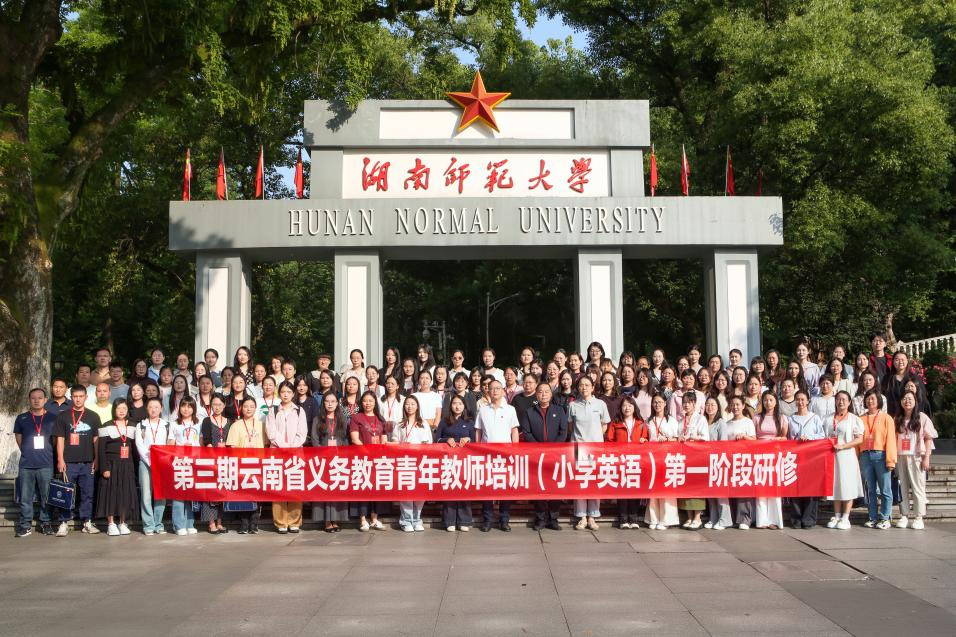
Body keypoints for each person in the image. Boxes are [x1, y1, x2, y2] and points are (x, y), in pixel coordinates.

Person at [53, 385, 101, 536]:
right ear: (71, 397)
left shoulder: (93, 416)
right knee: (66, 492)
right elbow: (60, 439)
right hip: (69, 462)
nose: (78, 399)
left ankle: (87, 521)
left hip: (88, 462)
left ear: (86, 397)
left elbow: (96, 440)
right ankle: (63, 522)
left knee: (88, 493)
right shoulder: (63, 416)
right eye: (75, 396)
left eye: (81, 396)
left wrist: (97, 459)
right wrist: (60, 459)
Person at [521, 382, 569, 531]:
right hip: (537, 456)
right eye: (540, 392)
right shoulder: (529, 412)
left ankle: (553, 518)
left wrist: (553, 448)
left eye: (546, 391)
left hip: (555, 455)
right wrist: (539, 448)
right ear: (536, 394)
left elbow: (563, 432)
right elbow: (526, 432)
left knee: (555, 486)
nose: (543, 394)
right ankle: (540, 518)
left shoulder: (559, 410)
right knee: (539, 486)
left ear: (551, 394)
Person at [475, 379, 520, 531]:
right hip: (486, 455)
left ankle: (504, 520)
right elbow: (478, 431)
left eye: (498, 388)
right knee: (487, 488)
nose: (495, 391)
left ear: (503, 391)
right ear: (488, 391)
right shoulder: (482, 410)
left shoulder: (510, 409)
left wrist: (515, 450)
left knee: (505, 488)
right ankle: (487, 520)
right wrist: (477, 450)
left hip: (505, 455)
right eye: (492, 388)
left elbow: (514, 430)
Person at [14, 387, 57, 537]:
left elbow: (55, 440)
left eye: (40, 398)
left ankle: (45, 523)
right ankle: (25, 525)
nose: (36, 400)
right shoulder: (22, 418)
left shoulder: (53, 418)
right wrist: (27, 451)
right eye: (33, 398)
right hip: (27, 464)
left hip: (46, 463)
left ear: (46, 400)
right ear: (29, 400)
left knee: (46, 496)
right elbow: (19, 438)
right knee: (25, 497)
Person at [267, 381, 308, 533]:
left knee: (294, 486)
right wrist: (284, 446)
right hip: (277, 452)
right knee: (278, 487)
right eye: (283, 392)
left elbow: (302, 433)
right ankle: (280, 522)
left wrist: (291, 447)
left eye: (289, 392)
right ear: (279, 393)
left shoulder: (299, 411)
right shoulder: (273, 410)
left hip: (295, 453)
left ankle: (294, 521)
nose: (285, 395)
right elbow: (271, 432)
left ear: (293, 394)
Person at [895, 390, 938, 530]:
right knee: (902, 487)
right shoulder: (897, 418)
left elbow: (928, 438)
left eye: (910, 398)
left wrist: (927, 458)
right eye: (904, 398)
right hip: (900, 457)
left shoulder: (922, 417)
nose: (907, 401)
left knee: (918, 487)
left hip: (916, 457)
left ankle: (919, 517)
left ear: (915, 401)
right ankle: (904, 515)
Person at [95, 399, 139, 536]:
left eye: (124, 408)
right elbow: (101, 449)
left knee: (125, 493)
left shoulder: (133, 425)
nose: (121, 411)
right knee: (111, 493)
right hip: (111, 464)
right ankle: (111, 523)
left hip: (127, 464)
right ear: (114, 410)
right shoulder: (106, 425)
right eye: (118, 408)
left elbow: (136, 449)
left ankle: (122, 522)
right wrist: (104, 468)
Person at [226, 396, 268, 534]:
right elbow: (231, 446)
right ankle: (244, 524)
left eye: (251, 406)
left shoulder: (262, 425)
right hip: (242, 465)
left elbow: (266, 445)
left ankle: (254, 523)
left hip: (258, 464)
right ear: (241, 408)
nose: (248, 409)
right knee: (243, 495)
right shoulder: (235, 425)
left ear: (255, 408)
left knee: (257, 495)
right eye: (245, 406)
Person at [349, 391, 390, 531]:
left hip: (378, 459)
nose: (368, 403)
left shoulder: (380, 418)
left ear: (375, 403)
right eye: (365, 401)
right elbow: (355, 439)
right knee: (363, 488)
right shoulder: (356, 417)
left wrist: (379, 452)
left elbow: (384, 439)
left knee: (376, 489)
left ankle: (374, 519)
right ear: (361, 403)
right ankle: (362, 519)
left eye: (370, 401)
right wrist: (368, 453)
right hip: (362, 458)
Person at [605, 395, 648, 529]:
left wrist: (644, 441)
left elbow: (646, 438)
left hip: (636, 461)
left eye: (630, 405)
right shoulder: (615, 423)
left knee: (634, 489)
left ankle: (633, 518)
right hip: (621, 461)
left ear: (634, 407)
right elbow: (609, 441)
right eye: (624, 405)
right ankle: (623, 518)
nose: (627, 408)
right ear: (620, 408)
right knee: (622, 490)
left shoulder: (641, 423)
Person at [435, 394, 476, 532]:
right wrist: (445, 440)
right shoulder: (444, 421)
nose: (457, 406)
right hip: (448, 461)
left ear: (464, 406)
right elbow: (436, 439)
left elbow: (476, 442)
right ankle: (449, 520)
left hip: (465, 461)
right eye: (454, 403)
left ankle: (465, 520)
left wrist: (469, 440)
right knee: (450, 490)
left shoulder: (469, 422)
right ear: (450, 406)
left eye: (460, 403)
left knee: (464, 489)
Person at [391, 395, 432, 532]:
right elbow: (395, 442)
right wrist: (401, 445)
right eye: (407, 404)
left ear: (417, 406)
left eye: (413, 404)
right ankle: (406, 520)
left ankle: (417, 519)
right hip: (405, 461)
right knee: (406, 492)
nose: (410, 406)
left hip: (420, 461)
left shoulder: (423, 423)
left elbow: (429, 443)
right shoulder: (399, 424)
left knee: (420, 492)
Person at [858, 389, 897, 529]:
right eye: (868, 398)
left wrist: (891, 460)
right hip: (865, 455)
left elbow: (891, 439)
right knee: (870, 490)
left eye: (873, 398)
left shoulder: (886, 418)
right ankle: (873, 517)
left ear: (879, 400)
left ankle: (885, 518)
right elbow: (857, 439)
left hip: (881, 455)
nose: (870, 401)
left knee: (885, 489)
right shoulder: (860, 419)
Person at [312, 392, 349, 532]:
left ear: (337, 403)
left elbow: (345, 438)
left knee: (336, 488)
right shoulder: (318, 419)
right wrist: (322, 453)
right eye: (327, 401)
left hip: (339, 459)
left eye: (333, 401)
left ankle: (336, 519)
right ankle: (327, 520)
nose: (330, 404)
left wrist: (343, 453)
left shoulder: (342, 418)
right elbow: (314, 439)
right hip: (323, 459)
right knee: (325, 489)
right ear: (323, 403)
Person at [787, 390, 826, 528]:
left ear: (808, 401)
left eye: (803, 399)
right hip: (795, 457)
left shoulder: (814, 417)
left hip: (811, 457)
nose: (800, 402)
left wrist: (810, 438)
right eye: (797, 399)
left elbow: (822, 436)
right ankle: (796, 518)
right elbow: (787, 437)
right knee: (795, 487)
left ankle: (808, 518)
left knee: (811, 487)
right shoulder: (790, 418)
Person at [827, 391, 865, 530]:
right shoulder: (828, 418)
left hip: (847, 455)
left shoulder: (854, 419)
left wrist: (843, 446)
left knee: (847, 485)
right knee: (835, 485)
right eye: (838, 399)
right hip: (832, 455)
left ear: (849, 402)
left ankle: (845, 516)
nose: (840, 402)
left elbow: (859, 439)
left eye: (844, 399)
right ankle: (837, 515)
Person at [166, 396, 201, 536]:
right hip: (179, 462)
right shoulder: (174, 424)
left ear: (194, 408)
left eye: (189, 406)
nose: (186, 409)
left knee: (191, 494)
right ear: (179, 408)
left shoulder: (198, 423)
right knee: (179, 494)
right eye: (183, 406)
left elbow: (201, 443)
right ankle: (178, 524)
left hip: (194, 462)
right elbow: (170, 443)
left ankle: (189, 523)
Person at [754, 392, 788, 529]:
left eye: (771, 400)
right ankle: (762, 520)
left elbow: (785, 437)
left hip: (775, 455)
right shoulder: (757, 418)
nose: (768, 402)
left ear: (776, 402)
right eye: (765, 400)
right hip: (760, 455)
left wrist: (777, 439)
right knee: (761, 487)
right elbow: (754, 437)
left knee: (774, 488)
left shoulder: (782, 418)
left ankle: (774, 520)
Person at [721, 396, 756, 530]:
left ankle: (745, 519)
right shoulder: (727, 423)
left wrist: (744, 437)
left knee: (743, 488)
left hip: (744, 459)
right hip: (730, 460)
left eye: (738, 404)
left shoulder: (748, 422)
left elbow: (754, 440)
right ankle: (734, 517)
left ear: (743, 406)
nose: (735, 407)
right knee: (732, 489)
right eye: (733, 404)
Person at [645, 393, 679, 529]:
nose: (657, 404)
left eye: (660, 402)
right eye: (655, 402)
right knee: (653, 488)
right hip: (653, 458)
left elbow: (676, 439)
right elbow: (646, 438)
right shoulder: (649, 420)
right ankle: (653, 518)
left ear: (665, 403)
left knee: (666, 489)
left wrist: (667, 440)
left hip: (668, 457)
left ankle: (666, 520)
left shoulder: (672, 420)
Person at [135, 397, 168, 535]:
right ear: (146, 409)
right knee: (146, 494)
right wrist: (149, 461)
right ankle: (148, 525)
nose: (153, 410)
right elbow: (139, 444)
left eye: (156, 407)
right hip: (145, 462)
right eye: (150, 407)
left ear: (161, 408)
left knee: (161, 494)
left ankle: (158, 524)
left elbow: (169, 444)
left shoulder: (167, 425)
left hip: (162, 463)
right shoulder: (141, 425)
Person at [676, 392, 709, 528]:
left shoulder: (701, 419)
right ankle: (689, 517)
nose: (686, 405)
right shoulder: (680, 421)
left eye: (689, 402)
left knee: (697, 487)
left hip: (697, 457)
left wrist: (692, 438)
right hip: (684, 457)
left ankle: (697, 517)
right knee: (685, 487)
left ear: (694, 404)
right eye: (684, 402)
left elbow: (705, 438)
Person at [200, 393, 231, 533]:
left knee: (222, 491)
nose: (217, 407)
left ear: (224, 405)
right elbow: (206, 441)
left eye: (219, 404)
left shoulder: (229, 421)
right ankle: (211, 522)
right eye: (214, 404)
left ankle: (220, 522)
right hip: (211, 461)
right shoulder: (207, 421)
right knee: (211, 491)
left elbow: (231, 441)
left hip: (226, 462)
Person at [702, 396, 732, 530]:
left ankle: (725, 519)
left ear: (718, 407)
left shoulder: (721, 423)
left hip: (718, 460)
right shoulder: (703, 421)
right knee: (710, 492)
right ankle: (713, 518)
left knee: (720, 492)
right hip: (705, 461)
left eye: (713, 405)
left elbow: (723, 443)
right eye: (707, 404)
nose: (710, 407)